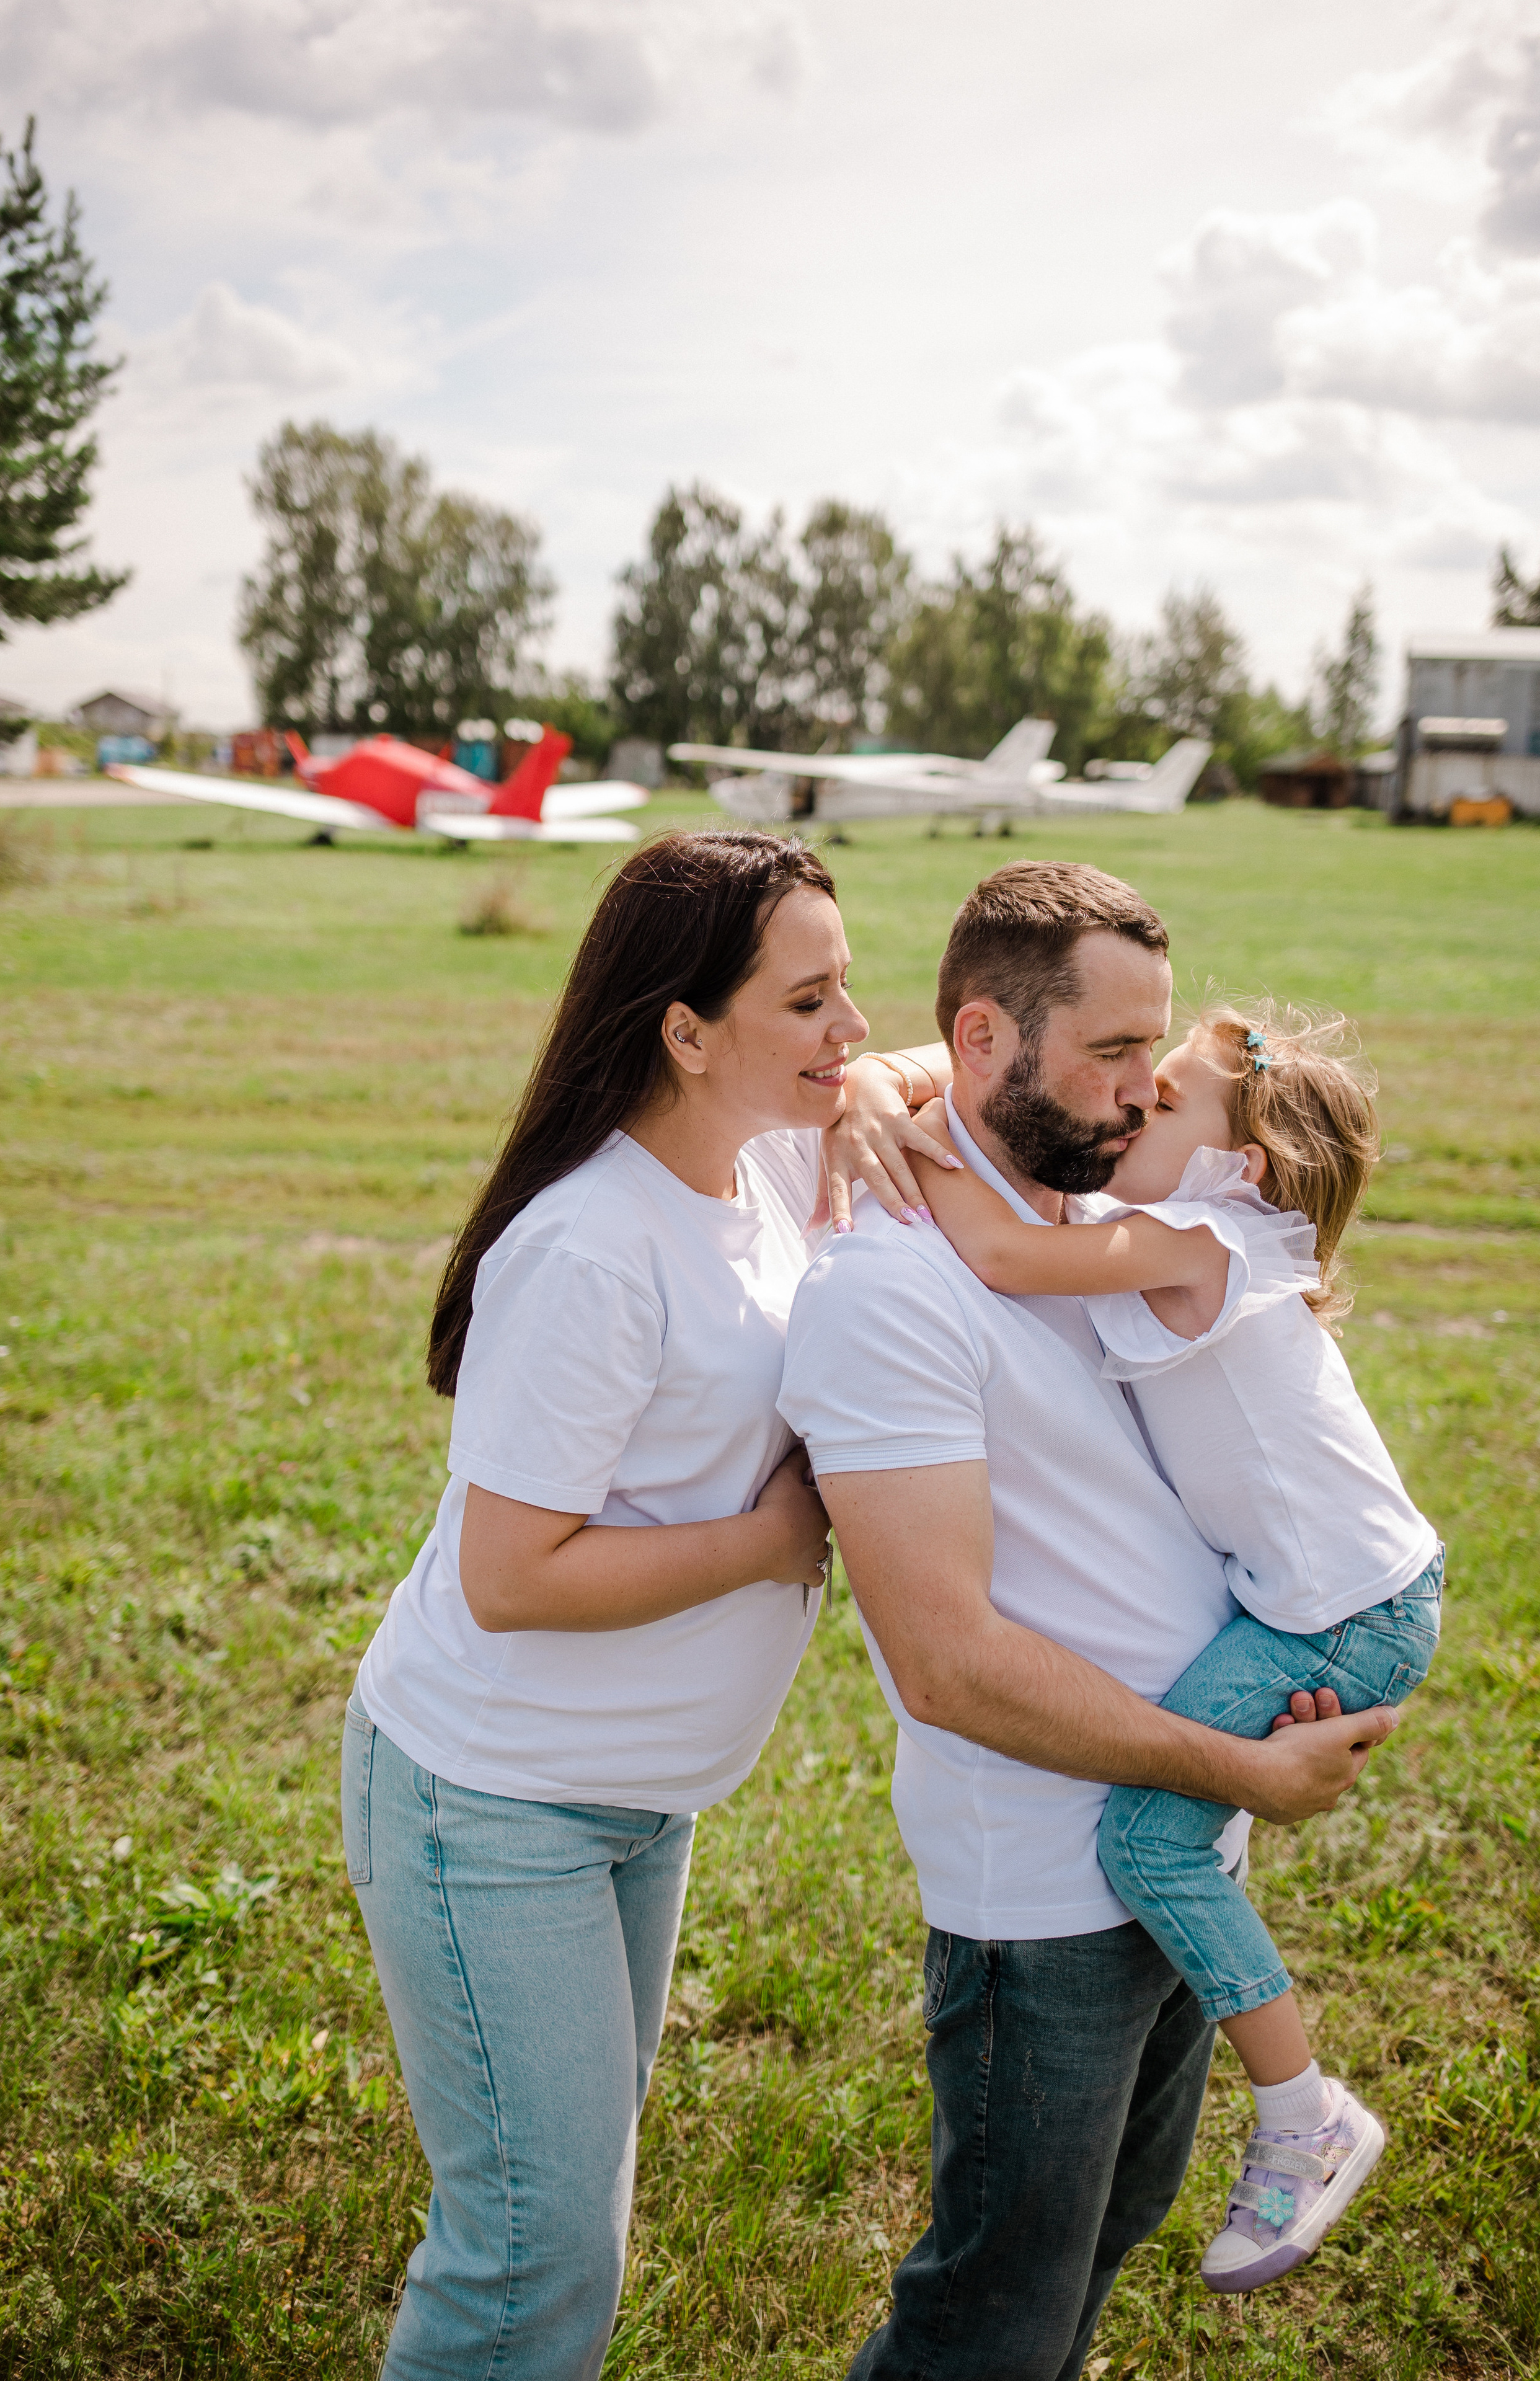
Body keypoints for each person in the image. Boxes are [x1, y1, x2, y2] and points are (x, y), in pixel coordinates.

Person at [777, 861, 1398, 2381]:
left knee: (1100, 2251)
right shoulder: (891, 1286)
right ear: (988, 1042)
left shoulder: (1112, 1208)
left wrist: (887, 1070)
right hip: (1046, 1887)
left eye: (1151, 1053)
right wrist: (1237, 1770)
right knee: (989, 2319)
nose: (1139, 1093)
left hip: (1179, 1846)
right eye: (1110, 1058)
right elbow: (945, 1664)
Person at [342, 827, 947, 2381]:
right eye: (809, 1003)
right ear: (685, 1031)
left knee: (576, 2209)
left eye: (847, 989)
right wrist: (771, 1540)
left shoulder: (750, 1157)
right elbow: (511, 1573)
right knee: (528, 2258)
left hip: (633, 1805)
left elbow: (937, 1068)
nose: (850, 1028)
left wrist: (861, 1082)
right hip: (497, 1802)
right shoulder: (593, 1251)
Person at [913, 997, 1440, 2292]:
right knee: (1169, 1836)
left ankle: (1305, 2117)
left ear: (1235, 1166)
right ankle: (1286, 2103)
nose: (1122, 1107)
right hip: (1327, 1595)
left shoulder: (1207, 1238)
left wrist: (911, 1126)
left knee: (1148, 1835)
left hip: (1341, 1612)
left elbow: (996, 1249)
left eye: (1153, 1106)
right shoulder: (1183, 1226)